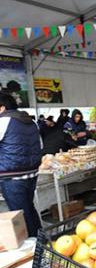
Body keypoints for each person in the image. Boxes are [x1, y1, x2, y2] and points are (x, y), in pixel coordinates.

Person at [0, 93, 42, 237]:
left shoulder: (3, 121)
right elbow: (40, 145)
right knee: (29, 208)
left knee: (20, 214)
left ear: (2, 108)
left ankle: (34, 247)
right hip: (31, 173)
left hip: (13, 176)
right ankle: (41, 240)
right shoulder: (31, 121)